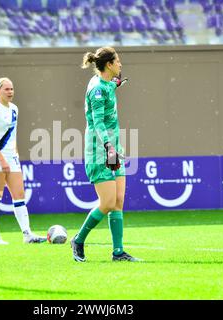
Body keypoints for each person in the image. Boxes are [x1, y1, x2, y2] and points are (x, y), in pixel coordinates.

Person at [71, 47, 141, 262]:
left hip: (113, 148)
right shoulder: (97, 90)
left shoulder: (106, 84)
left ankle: (118, 252)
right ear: (109, 65)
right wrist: (109, 146)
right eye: (117, 61)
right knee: (108, 202)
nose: (120, 64)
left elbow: (108, 86)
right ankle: (79, 240)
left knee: (118, 201)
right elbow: (98, 122)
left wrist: (116, 84)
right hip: (100, 149)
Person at [0, 77, 47, 245]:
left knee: (19, 194)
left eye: (12, 89)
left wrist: (14, 155)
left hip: (11, 156)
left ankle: (27, 234)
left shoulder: (14, 109)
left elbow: (12, 135)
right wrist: (2, 160)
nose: (10, 92)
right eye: (6, 89)